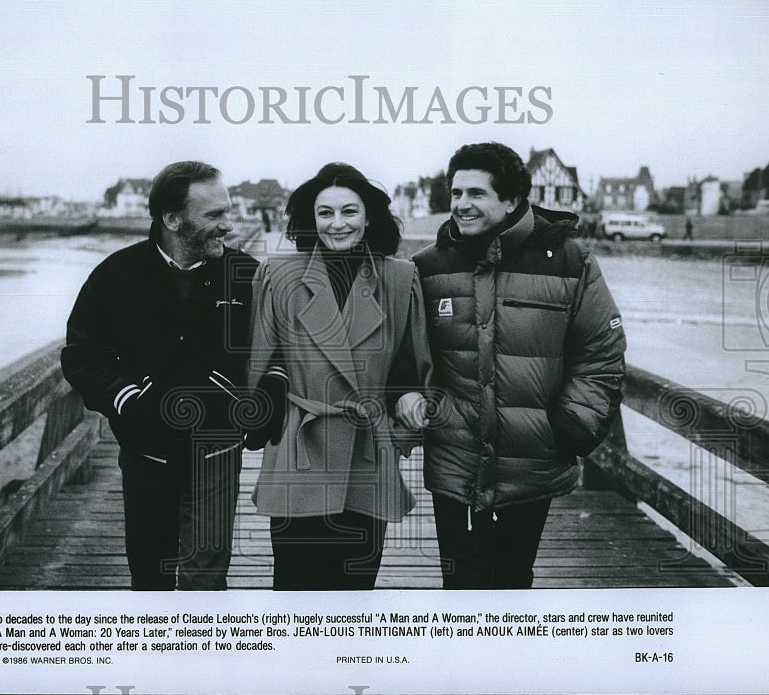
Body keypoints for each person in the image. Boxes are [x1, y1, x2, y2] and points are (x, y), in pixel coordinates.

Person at [412, 142, 627, 589]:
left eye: (476, 193)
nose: (461, 205)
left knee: (512, 582)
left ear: (511, 200)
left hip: (532, 463)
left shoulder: (571, 262)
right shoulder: (428, 266)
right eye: (455, 193)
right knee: (461, 587)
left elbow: (601, 352)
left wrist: (569, 423)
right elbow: (408, 356)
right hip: (456, 462)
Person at [61, 161, 259, 590]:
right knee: (150, 576)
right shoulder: (117, 275)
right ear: (172, 218)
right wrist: (131, 401)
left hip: (217, 451)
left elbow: (274, 352)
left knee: (205, 579)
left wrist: (255, 406)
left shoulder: (245, 275)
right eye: (214, 215)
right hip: (146, 453)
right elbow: (80, 356)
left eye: (228, 211)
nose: (229, 225)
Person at [247, 162, 433, 590]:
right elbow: (259, 362)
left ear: (369, 217)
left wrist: (398, 438)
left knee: (355, 591)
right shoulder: (278, 275)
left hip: (365, 453)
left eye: (349, 211)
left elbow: (415, 370)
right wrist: (266, 423)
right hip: (300, 450)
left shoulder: (401, 278)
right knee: (294, 589)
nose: (337, 223)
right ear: (310, 218)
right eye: (325, 212)